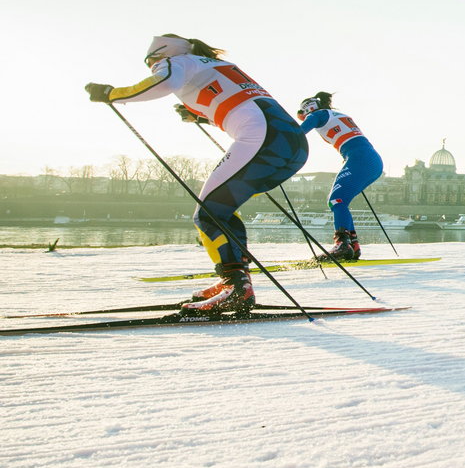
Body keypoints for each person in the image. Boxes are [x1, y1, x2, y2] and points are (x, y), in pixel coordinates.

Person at [85, 34, 308, 312]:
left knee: (208, 213)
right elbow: (239, 104)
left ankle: (237, 287)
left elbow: (163, 81)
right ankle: (236, 282)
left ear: (161, 54)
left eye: (150, 62)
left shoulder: (176, 60)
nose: (151, 67)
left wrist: (112, 94)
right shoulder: (214, 64)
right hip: (293, 144)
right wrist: (199, 116)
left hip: (263, 139)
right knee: (220, 210)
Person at [297, 92, 384, 260]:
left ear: (308, 109)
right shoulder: (334, 114)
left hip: (359, 159)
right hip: (369, 159)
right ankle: (352, 246)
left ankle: (342, 245)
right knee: (340, 201)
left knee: (336, 200)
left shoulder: (317, 114)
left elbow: (298, 133)